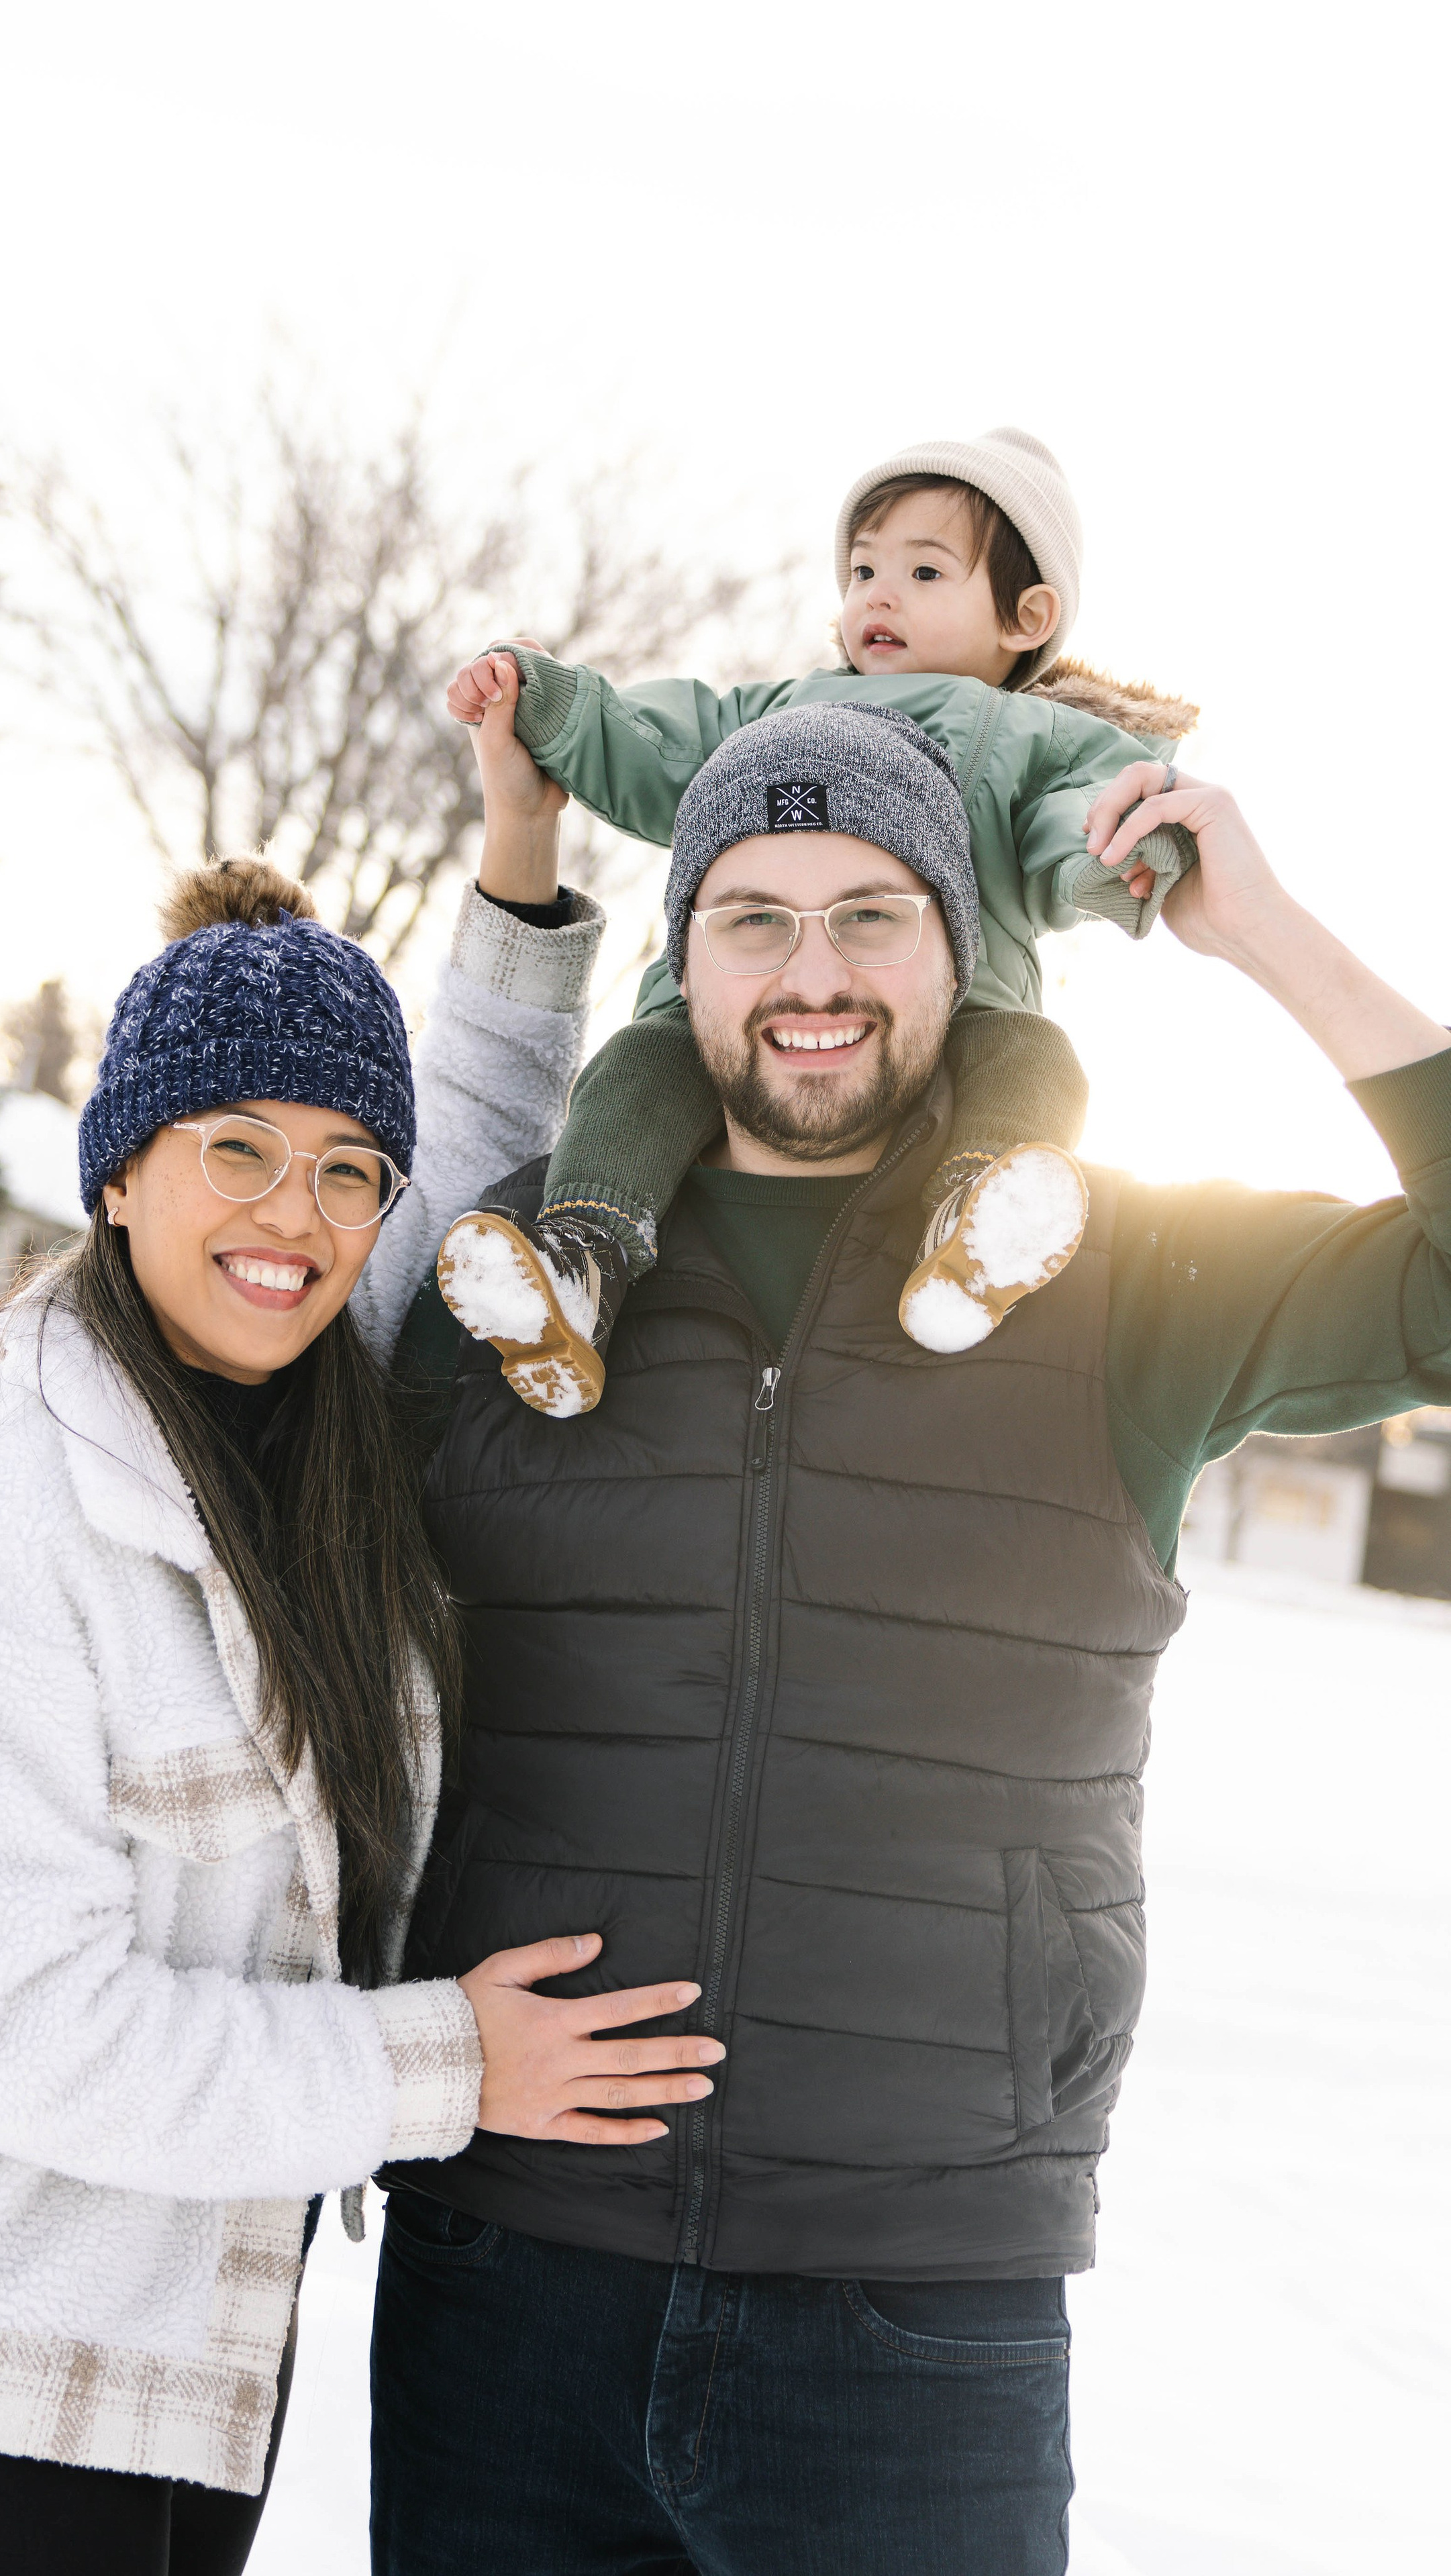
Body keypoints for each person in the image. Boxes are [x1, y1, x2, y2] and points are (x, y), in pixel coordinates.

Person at [374, 693, 1451, 2574]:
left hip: (915, 2320)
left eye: (873, 910)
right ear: (680, 955)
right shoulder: (519, 1282)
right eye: (755, 915)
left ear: (964, 944)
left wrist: (1262, 924)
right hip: (507, 2287)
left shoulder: (1122, 1275)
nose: (815, 973)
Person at [0, 832, 719, 2575]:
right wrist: (451, 2062)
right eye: (239, 1152)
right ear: (123, 1171)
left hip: (200, 2312)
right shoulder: (17, 1533)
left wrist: (521, 869)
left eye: (344, 1169)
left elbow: (478, 1109)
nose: (295, 1215)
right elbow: (29, 2039)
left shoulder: (309, 1405)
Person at [434, 424, 1203, 1411]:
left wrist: (1127, 850)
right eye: (863, 568)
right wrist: (550, 703)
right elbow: (655, 742)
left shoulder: (1033, 734)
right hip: (719, 1011)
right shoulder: (776, 712)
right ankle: (583, 1259)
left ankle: (978, 1226)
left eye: (925, 572)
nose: (878, 595)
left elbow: (1082, 818)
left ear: (1027, 616)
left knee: (1035, 1061)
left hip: (959, 1018)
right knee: (634, 1066)